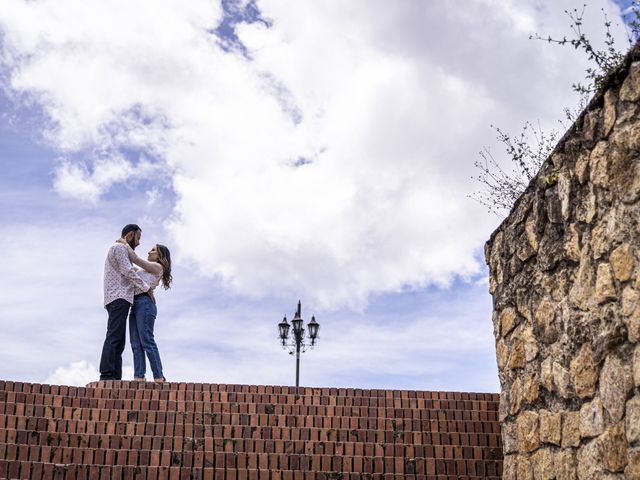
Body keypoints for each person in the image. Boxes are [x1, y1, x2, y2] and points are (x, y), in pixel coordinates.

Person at [100, 224, 151, 381]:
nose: (139, 242)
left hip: (117, 298)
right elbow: (128, 271)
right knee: (114, 337)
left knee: (119, 340)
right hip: (119, 297)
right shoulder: (120, 248)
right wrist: (146, 288)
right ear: (130, 235)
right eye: (138, 238)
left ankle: (115, 377)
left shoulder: (120, 250)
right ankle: (107, 375)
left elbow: (131, 269)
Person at [118, 240, 173, 382]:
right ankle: (139, 377)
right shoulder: (144, 270)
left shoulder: (158, 267)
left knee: (147, 341)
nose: (149, 252)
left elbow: (136, 260)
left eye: (153, 250)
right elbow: (130, 268)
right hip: (134, 304)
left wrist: (124, 244)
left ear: (160, 255)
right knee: (135, 344)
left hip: (145, 304)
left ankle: (159, 376)